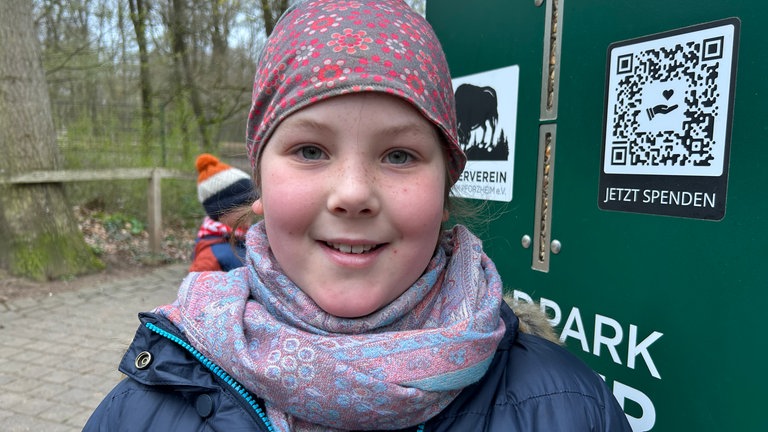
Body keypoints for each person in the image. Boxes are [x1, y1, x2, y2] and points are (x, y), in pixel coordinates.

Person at [84, 1, 632, 431]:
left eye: (398, 155)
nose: (352, 194)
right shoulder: (146, 407)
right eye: (310, 151)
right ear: (260, 187)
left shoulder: (569, 408)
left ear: (445, 190)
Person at [189, 153, 254, 272]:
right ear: (222, 211)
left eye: (252, 202)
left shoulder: (246, 238)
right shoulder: (209, 258)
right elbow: (200, 289)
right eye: (245, 204)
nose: (253, 208)